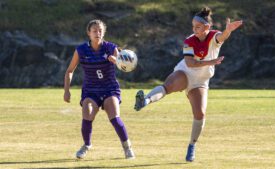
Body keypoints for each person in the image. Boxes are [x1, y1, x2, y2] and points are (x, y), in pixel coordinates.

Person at [134, 7, 242, 162]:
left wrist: (228, 30)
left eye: (198, 27)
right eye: (193, 26)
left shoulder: (213, 37)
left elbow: (222, 36)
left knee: (200, 114)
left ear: (207, 27)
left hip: (200, 81)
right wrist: (211, 62)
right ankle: (144, 101)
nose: (194, 29)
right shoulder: (189, 41)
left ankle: (192, 146)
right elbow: (190, 63)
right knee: (168, 86)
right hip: (186, 72)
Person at [64, 19, 135, 159]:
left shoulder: (110, 47)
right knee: (87, 113)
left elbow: (122, 62)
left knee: (114, 116)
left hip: (109, 89)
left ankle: (127, 147)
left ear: (104, 32)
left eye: (100, 30)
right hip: (91, 90)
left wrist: (117, 61)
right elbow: (69, 71)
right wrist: (66, 90)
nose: (98, 33)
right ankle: (86, 145)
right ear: (89, 33)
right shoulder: (81, 50)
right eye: (95, 30)